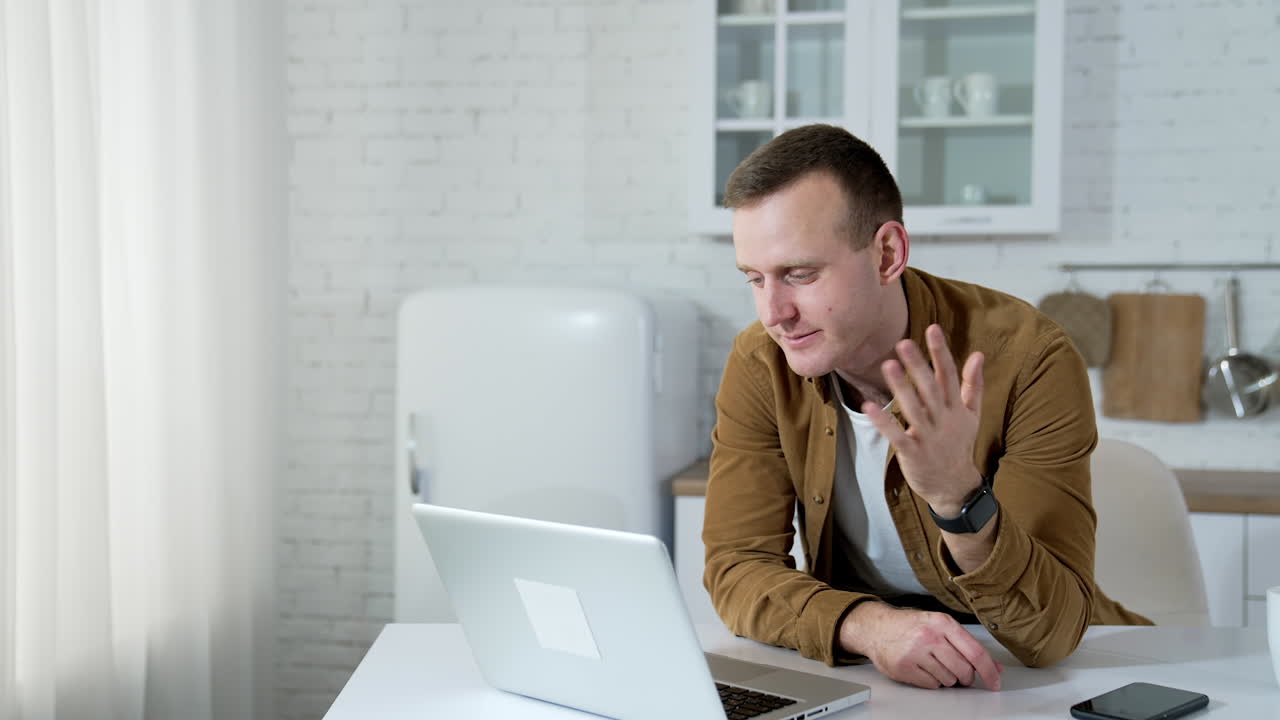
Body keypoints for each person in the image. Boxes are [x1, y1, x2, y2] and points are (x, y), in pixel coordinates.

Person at [702, 124, 1150, 693]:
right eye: (755, 279)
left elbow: (1052, 634)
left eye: (800, 274)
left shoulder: (1030, 358)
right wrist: (868, 627)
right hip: (876, 673)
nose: (774, 312)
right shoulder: (763, 360)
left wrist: (958, 498)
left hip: (1041, 677)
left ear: (887, 253)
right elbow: (736, 569)